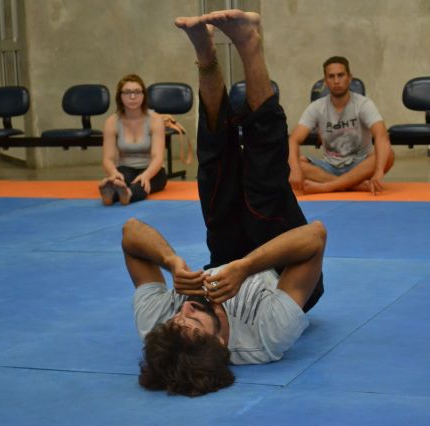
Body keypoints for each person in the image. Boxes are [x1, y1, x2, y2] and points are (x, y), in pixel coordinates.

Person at [122, 9, 326, 397]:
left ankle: (205, 54)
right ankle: (249, 44)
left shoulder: (161, 329)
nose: (185, 309)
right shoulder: (266, 336)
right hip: (283, 269)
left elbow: (131, 233)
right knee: (264, 187)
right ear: (220, 342)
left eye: (177, 319)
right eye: (195, 321)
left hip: (227, 257)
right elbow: (314, 237)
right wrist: (246, 267)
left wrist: (171, 261)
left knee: (214, 172)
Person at [288, 56, 395, 195]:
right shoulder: (316, 107)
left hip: (360, 165)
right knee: (290, 162)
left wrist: (379, 171)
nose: (336, 81)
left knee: (389, 154)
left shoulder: (363, 104)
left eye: (341, 75)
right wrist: (295, 169)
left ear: (349, 78)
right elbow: (293, 140)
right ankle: (352, 185)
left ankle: (327, 186)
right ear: (325, 81)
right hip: (329, 166)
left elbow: (381, 136)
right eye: (331, 76)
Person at [99, 74, 167, 206]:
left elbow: (158, 157)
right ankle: (109, 195)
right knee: (120, 181)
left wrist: (146, 175)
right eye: (127, 92)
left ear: (143, 95)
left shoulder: (155, 120)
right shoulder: (111, 122)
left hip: (153, 170)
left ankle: (128, 195)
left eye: (137, 92)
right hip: (125, 168)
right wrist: (113, 173)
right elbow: (107, 159)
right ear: (120, 96)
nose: (132, 96)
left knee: (141, 184)